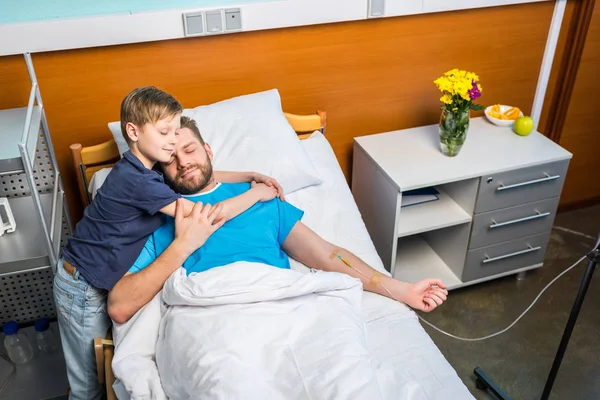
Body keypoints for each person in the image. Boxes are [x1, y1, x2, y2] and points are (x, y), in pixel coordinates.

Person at [54, 87, 283, 400]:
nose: (173, 142)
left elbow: (203, 173)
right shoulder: (136, 181)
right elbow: (206, 216)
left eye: (176, 132)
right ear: (133, 132)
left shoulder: (145, 169)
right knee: (88, 386)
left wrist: (249, 174)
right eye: (165, 132)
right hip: (81, 286)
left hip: (89, 277)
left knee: (89, 378)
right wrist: (255, 193)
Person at [108, 116, 449, 325]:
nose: (183, 163)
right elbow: (120, 306)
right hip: (211, 320)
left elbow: (329, 256)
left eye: (190, 150)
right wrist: (181, 247)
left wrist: (400, 288)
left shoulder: (264, 198)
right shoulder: (156, 212)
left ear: (208, 150)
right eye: (170, 157)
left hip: (283, 310)